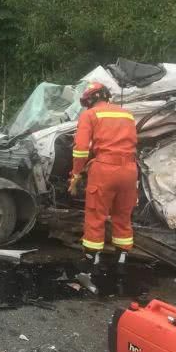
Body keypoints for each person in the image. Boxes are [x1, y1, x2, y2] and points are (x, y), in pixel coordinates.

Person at [68, 82, 138, 272]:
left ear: (90, 100)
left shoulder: (89, 115)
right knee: (123, 215)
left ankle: (92, 262)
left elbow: (81, 150)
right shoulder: (127, 114)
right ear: (106, 96)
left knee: (96, 214)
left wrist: (76, 174)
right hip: (130, 170)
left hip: (104, 170)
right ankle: (121, 260)